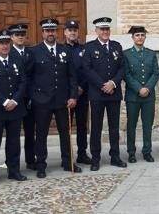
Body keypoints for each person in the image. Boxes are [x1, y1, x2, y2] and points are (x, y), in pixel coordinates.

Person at [28, 19, 81, 176]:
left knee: (65, 132)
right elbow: (28, 78)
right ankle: (41, 165)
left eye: (53, 30)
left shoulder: (66, 50)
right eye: (47, 31)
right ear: (43, 33)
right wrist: (35, 97)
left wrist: (73, 96)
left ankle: (68, 161)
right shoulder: (34, 51)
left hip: (63, 100)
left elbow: (72, 76)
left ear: (57, 32)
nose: (50, 33)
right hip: (42, 101)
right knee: (42, 134)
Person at [0, 30, 28, 186]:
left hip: (15, 108)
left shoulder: (18, 61)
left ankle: (14, 170)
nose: (5, 46)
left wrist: (14, 101)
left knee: (14, 142)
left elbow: (23, 82)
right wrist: (4, 101)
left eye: (7, 42)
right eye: (1, 43)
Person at [82, 17, 127, 170]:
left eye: (107, 29)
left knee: (114, 127)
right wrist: (103, 85)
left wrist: (113, 83)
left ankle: (115, 156)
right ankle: (95, 158)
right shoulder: (88, 47)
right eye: (102, 29)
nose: (105, 32)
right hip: (97, 94)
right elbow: (87, 69)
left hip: (113, 93)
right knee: (96, 127)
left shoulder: (116, 46)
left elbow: (122, 68)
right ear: (96, 31)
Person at [123, 26, 159, 163]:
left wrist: (147, 88)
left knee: (147, 125)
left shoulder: (151, 54)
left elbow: (156, 73)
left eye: (142, 35)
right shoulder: (126, 54)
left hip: (148, 96)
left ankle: (147, 151)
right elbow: (126, 74)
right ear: (132, 37)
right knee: (131, 125)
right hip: (133, 96)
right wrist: (139, 88)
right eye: (137, 35)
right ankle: (131, 152)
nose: (140, 37)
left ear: (145, 37)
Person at [8, 23, 36, 170]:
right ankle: (13, 164)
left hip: (30, 98)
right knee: (14, 135)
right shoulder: (7, 52)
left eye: (22, 35)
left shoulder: (32, 53)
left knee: (30, 131)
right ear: (11, 37)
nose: (20, 37)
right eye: (17, 35)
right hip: (15, 98)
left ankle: (31, 160)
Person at [64, 20, 93, 165]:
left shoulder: (84, 49)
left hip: (82, 93)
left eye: (75, 30)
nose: (73, 32)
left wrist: (81, 87)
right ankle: (68, 156)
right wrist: (72, 91)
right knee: (66, 127)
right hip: (67, 95)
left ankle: (82, 153)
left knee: (82, 125)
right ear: (65, 32)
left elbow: (88, 70)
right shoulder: (60, 49)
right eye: (70, 30)